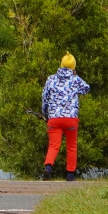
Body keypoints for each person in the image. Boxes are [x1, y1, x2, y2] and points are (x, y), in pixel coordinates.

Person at [41, 53, 89, 182]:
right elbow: (86, 89)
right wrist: (75, 76)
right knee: (71, 146)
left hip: (54, 119)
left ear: (61, 65)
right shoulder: (75, 80)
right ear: (73, 67)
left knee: (53, 145)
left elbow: (44, 99)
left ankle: (48, 167)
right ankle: (70, 175)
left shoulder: (51, 79)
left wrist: (45, 115)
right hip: (70, 119)